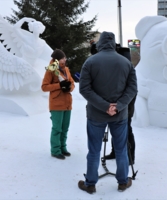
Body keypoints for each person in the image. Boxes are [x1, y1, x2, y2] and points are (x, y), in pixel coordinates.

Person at [78, 31, 137, 193]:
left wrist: (105, 106)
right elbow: (132, 89)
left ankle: (90, 184)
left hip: (96, 115)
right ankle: (123, 181)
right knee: (121, 149)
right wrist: (117, 106)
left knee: (94, 150)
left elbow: (84, 89)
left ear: (100, 43)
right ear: (113, 43)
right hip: (120, 115)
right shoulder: (126, 63)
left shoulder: (90, 62)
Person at [41, 49, 75, 160]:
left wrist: (69, 87)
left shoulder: (66, 70)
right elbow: (44, 87)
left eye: (65, 58)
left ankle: (63, 148)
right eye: (63, 58)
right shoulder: (51, 70)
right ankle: (55, 150)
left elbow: (72, 83)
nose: (65, 59)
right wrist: (59, 86)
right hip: (56, 104)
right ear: (57, 59)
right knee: (57, 129)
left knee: (65, 128)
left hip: (67, 103)